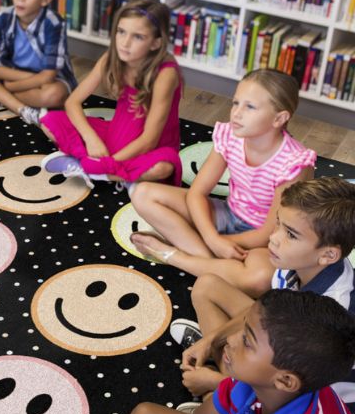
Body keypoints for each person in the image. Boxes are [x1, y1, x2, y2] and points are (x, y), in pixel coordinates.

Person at [175, 177, 355, 401]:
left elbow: (290, 390)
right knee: (207, 286)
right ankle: (222, 374)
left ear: (328, 255)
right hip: (285, 342)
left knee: (213, 401)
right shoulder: (296, 265)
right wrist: (210, 340)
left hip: (318, 398)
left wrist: (213, 382)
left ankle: (220, 392)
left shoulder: (331, 313)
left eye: (290, 234)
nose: (273, 238)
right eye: (278, 223)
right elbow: (264, 311)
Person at [130, 68, 316, 273]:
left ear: (279, 119)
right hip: (227, 214)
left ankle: (182, 254)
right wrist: (212, 239)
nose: (236, 113)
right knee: (142, 193)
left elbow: (268, 231)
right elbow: (197, 193)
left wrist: (218, 240)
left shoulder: (293, 163)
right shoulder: (230, 135)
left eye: (250, 107)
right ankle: (211, 263)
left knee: (260, 278)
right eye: (235, 103)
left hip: (264, 237)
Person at [127, 289, 355, 414]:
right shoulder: (249, 380)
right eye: (243, 329)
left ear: (285, 381)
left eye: (247, 341)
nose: (232, 340)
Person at [38, 0, 182, 189]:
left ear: (156, 43)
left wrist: (106, 163)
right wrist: (92, 139)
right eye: (121, 32)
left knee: (162, 168)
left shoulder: (166, 74)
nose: (125, 43)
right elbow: (72, 102)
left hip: (148, 147)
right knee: (50, 121)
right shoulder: (111, 58)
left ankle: (95, 171)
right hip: (115, 136)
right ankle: (118, 174)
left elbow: (149, 140)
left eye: (138, 37)